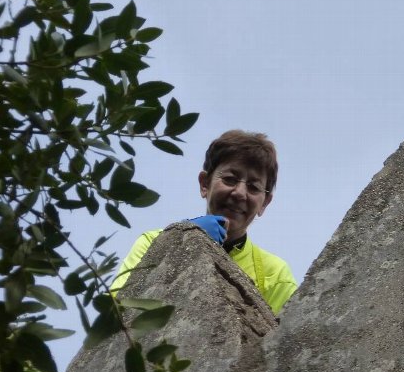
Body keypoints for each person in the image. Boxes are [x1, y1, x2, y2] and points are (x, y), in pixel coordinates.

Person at [111, 130, 297, 314]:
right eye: (230, 179)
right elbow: (114, 315)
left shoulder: (275, 274)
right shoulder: (151, 242)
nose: (240, 193)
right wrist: (181, 240)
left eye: (254, 187)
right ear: (204, 184)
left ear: (264, 203)